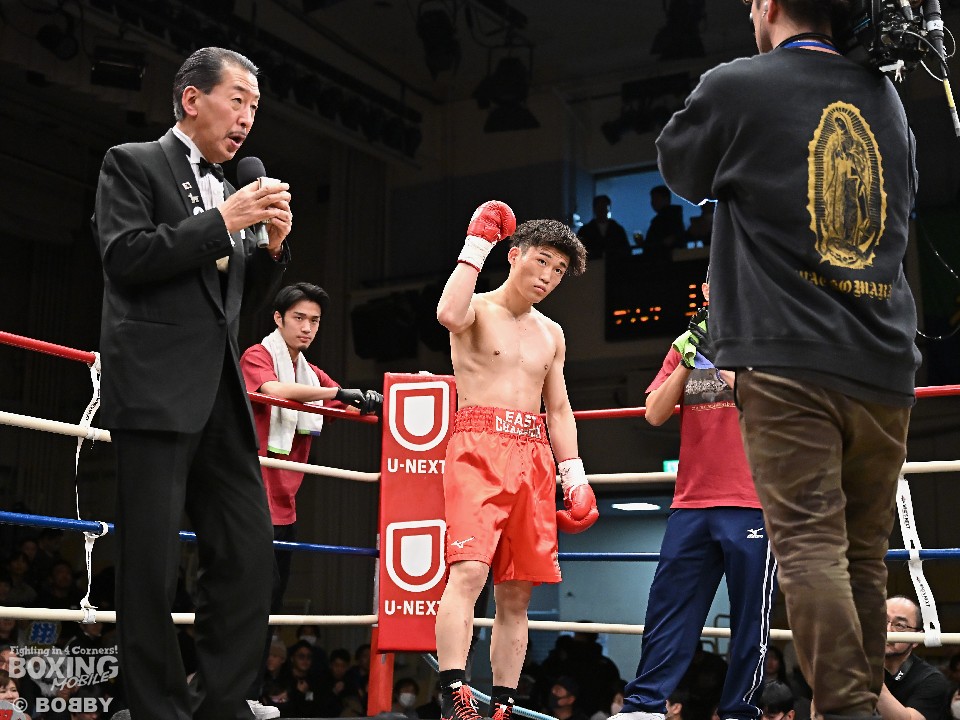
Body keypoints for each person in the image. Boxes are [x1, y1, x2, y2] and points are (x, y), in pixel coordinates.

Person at [655, 1, 921, 719]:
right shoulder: (888, 100)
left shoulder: (737, 84)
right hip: (885, 358)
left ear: (768, 5)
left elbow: (680, 168)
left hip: (788, 356)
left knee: (810, 546)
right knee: (862, 553)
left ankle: (847, 711)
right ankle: (861, 705)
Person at [92, 46, 293, 720]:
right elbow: (125, 257)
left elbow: (233, 306)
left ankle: (222, 703)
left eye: (254, 108)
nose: (247, 119)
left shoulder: (231, 188)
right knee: (150, 565)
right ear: (191, 99)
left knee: (249, 551)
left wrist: (268, 250)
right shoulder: (132, 162)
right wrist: (224, 222)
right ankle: (158, 710)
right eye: (237, 101)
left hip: (220, 395)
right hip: (154, 388)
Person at [433, 201, 597, 720]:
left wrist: (574, 475)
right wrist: (475, 244)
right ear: (514, 254)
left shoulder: (552, 333)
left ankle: (503, 704)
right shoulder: (476, 309)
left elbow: (559, 408)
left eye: (559, 270)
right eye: (541, 261)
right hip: (477, 447)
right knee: (468, 572)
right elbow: (447, 315)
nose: (548, 276)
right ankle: (455, 695)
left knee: (518, 592)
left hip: (534, 456)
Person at [613, 275, 777, 720]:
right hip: (691, 501)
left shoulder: (769, 337)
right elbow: (654, 413)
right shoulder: (684, 344)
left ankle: (740, 710)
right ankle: (644, 705)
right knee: (669, 610)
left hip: (753, 501)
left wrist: (721, 353)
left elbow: (766, 404)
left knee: (750, 618)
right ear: (705, 291)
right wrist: (688, 357)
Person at [240, 282, 381, 708]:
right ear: (278, 318)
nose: (307, 327)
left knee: (271, 604)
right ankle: (232, 694)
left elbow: (347, 404)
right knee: (248, 600)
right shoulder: (258, 356)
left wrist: (372, 399)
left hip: (285, 506)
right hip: (250, 497)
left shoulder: (310, 373)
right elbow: (273, 391)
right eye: (299, 318)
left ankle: (250, 696)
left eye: (314, 321)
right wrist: (337, 393)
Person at [878, 597, 951, 720]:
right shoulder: (856, 667)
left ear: (917, 638)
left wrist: (873, 679)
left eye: (900, 625)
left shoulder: (932, 679)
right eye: (881, 621)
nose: (887, 630)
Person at [576, 195, 630, 260]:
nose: (601, 210)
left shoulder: (617, 230)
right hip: (594, 264)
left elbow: (626, 251)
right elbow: (578, 252)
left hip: (613, 264)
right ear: (594, 209)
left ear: (608, 209)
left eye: (604, 207)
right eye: (599, 207)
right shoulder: (585, 231)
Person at [641, 186, 685, 258]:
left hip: (663, 259)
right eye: (652, 199)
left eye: (656, 199)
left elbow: (662, 241)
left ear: (666, 199)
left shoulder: (666, 218)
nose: (653, 203)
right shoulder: (672, 216)